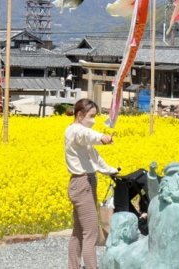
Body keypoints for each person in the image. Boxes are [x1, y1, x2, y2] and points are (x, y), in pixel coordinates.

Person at [65, 98, 117, 269]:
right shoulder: (75, 131)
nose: (94, 121)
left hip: (84, 182)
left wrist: (110, 170)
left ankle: (73, 266)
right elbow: (87, 135)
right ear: (80, 115)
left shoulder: (81, 136)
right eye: (91, 116)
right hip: (82, 184)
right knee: (91, 233)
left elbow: (95, 158)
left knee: (79, 231)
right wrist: (102, 137)